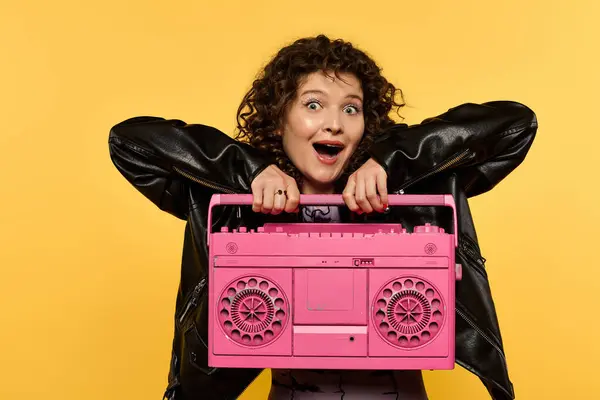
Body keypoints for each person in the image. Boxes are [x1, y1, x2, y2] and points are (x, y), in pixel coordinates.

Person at [108, 35, 537, 400]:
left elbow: (516, 125)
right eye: (314, 105)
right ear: (280, 120)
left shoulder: (409, 193)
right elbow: (129, 142)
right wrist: (246, 170)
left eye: (351, 109)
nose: (333, 124)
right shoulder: (235, 202)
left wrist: (394, 162)